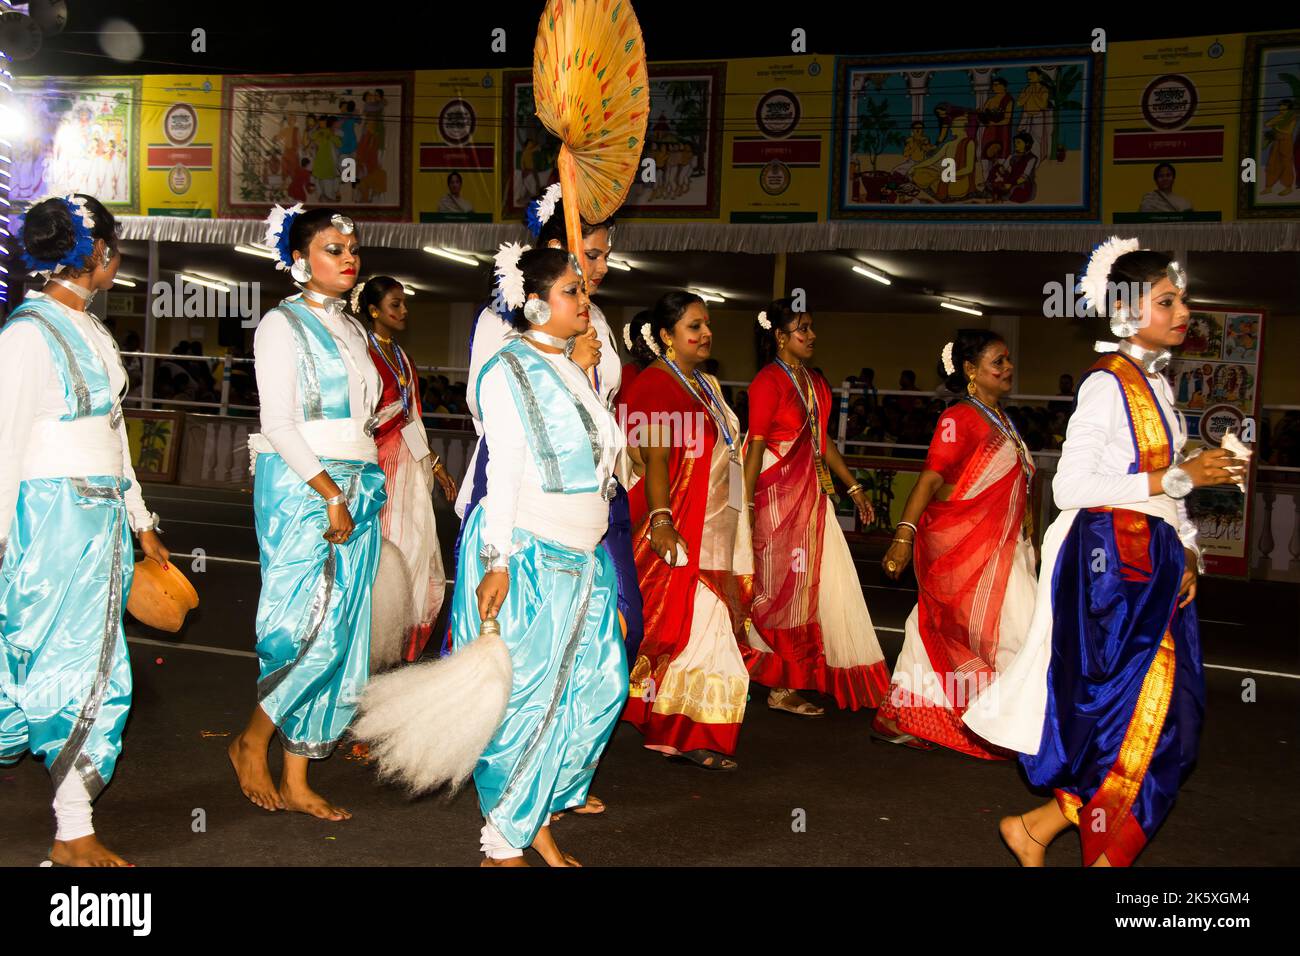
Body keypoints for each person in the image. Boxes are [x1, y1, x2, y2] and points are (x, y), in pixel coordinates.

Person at [965, 240, 1244, 866]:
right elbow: (1071, 488)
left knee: (1166, 723)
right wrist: (1179, 480)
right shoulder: (1105, 385)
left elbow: (1171, 484)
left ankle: (1034, 829)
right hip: (1110, 573)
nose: (1183, 310)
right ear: (1125, 311)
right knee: (1130, 723)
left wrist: (1192, 548)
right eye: (1167, 301)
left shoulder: (1156, 386)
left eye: (1183, 299)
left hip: (1155, 566)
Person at [359, 246, 627, 866]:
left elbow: (601, 456)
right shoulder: (509, 369)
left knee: (596, 689)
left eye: (583, 290)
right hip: (532, 552)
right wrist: (500, 559)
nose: (584, 301)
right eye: (572, 291)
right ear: (534, 304)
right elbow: (504, 469)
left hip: (585, 556)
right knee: (531, 699)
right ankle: (502, 843)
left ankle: (532, 818)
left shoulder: (566, 365)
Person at [0, 194, 170, 866]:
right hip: (49, 524)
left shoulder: (93, 331)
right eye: (115, 248)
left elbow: (113, 433)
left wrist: (140, 520)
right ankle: (73, 831)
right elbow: (4, 449)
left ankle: (74, 824)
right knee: (67, 671)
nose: (118, 259)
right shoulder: (24, 337)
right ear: (96, 255)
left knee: (80, 668)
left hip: (99, 517)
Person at [227, 205, 386, 821]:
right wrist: (330, 491)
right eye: (332, 248)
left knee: (343, 636)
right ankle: (251, 740)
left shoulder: (352, 328)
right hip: (306, 486)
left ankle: (297, 773)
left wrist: (358, 484)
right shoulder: (279, 325)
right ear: (298, 260)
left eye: (352, 247)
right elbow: (279, 423)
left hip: (356, 482)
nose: (349, 257)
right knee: (305, 631)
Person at [875, 330, 1036, 756]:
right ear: (970, 371)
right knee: (1010, 633)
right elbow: (930, 478)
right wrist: (903, 537)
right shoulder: (958, 418)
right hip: (965, 549)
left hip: (1003, 548)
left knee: (938, 628)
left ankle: (910, 715)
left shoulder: (1000, 418)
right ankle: (1002, 725)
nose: (1007, 369)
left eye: (1007, 361)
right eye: (997, 362)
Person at [621, 292, 754, 771]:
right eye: (694, 326)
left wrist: (742, 511)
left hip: (718, 526)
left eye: (707, 325)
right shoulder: (656, 385)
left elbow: (729, 453)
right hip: (682, 528)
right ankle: (690, 730)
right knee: (700, 629)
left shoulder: (707, 384)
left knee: (707, 627)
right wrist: (662, 519)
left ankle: (676, 724)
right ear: (666, 337)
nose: (705, 334)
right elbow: (653, 456)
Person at [742, 299, 889, 716]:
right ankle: (774, 681)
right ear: (780, 337)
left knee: (813, 587)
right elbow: (755, 445)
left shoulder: (815, 383)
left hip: (810, 499)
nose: (811, 336)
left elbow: (822, 442)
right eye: (802, 329)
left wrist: (854, 486)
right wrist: (746, 502)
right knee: (775, 589)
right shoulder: (767, 383)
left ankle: (801, 675)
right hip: (774, 498)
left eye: (811, 328)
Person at [356, 275, 457, 660]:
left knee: (412, 546)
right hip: (373, 465)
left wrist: (435, 465)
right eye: (395, 304)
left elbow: (412, 418)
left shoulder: (402, 358)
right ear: (373, 310)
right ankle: (363, 633)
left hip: (407, 469)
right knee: (378, 550)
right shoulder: (360, 354)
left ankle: (398, 637)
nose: (403, 311)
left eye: (404, 304)